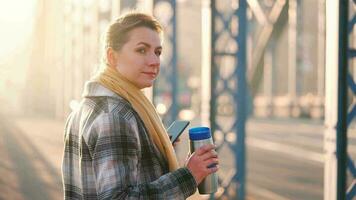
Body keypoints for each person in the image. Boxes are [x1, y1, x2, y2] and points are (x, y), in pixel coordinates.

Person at [61, 12, 219, 199]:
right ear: (112, 57)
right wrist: (188, 176)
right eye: (141, 50)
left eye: (157, 52)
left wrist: (153, 149)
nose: (154, 61)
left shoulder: (84, 108)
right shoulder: (115, 116)